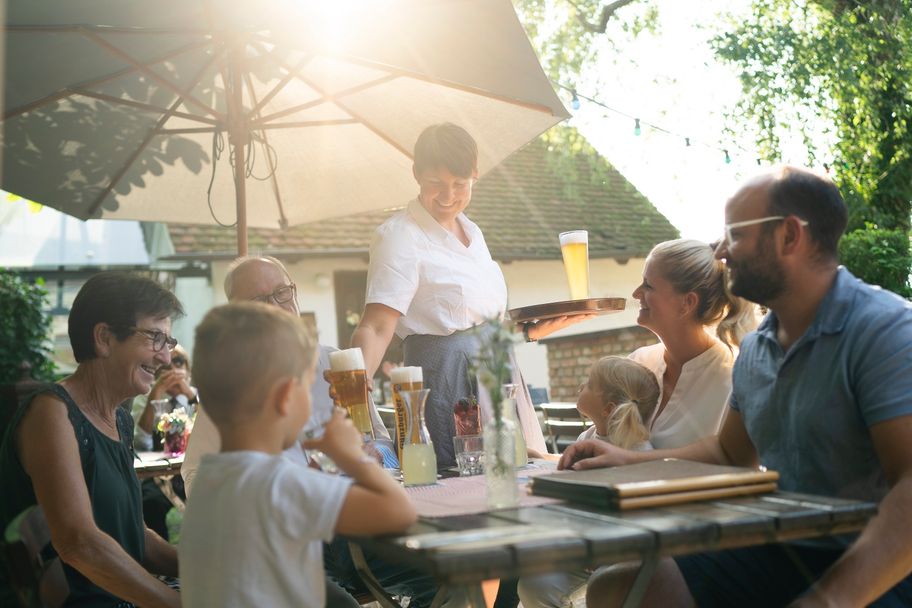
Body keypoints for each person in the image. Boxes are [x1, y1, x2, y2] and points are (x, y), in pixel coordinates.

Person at [561, 167, 912, 607]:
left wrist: (826, 601)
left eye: (735, 235)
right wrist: (627, 459)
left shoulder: (884, 331)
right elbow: (729, 454)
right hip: (784, 550)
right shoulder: (759, 348)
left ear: (789, 236)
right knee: (616, 589)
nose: (722, 251)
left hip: (879, 565)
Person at [181, 255, 462, 608]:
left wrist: (369, 455)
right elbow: (399, 512)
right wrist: (348, 458)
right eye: (259, 301)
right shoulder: (276, 483)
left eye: (282, 293)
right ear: (285, 397)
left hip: (305, 550)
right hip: (328, 538)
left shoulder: (333, 361)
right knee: (461, 570)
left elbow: (385, 446)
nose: (276, 306)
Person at [351, 122, 582, 468]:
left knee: (511, 478)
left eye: (459, 184)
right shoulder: (400, 236)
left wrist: (533, 330)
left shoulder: (473, 232)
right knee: (460, 479)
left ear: (475, 175)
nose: (447, 196)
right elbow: (377, 326)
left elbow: (479, 323)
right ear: (416, 174)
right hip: (444, 380)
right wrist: (357, 384)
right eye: (435, 184)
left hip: (496, 374)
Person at [0, 272, 183, 607]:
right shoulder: (53, 414)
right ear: (104, 338)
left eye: (167, 342)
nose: (166, 358)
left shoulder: (120, 419)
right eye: (155, 338)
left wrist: (213, 573)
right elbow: (78, 543)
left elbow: (135, 535)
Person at [517, 356, 659, 608]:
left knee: (536, 586)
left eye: (591, 384)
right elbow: (571, 461)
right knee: (531, 579)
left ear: (608, 408)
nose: (582, 385)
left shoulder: (635, 450)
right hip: (580, 546)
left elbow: (643, 511)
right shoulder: (591, 434)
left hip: (614, 556)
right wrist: (543, 456)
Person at [627, 238, 756, 449]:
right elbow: (596, 441)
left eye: (648, 285)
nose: (636, 293)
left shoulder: (731, 381)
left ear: (687, 303)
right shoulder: (638, 362)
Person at [131, 344, 197, 452]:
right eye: (165, 366)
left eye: (178, 361)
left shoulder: (198, 397)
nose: (173, 369)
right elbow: (140, 443)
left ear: (188, 369)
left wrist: (190, 395)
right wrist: (157, 391)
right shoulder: (144, 398)